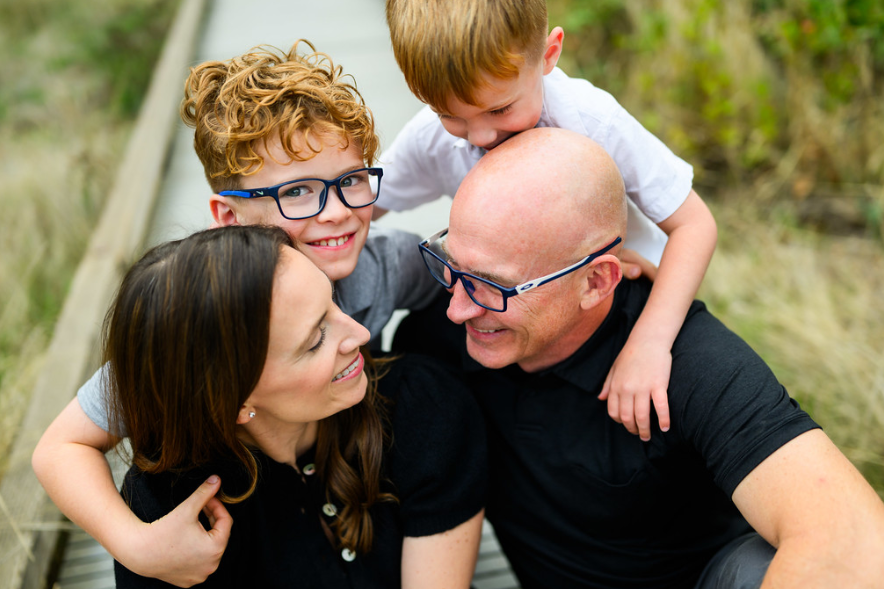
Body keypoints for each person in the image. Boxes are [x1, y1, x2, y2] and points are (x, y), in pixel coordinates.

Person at [32, 42, 444, 586]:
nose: (339, 211)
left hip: (346, 467)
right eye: (297, 191)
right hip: (239, 497)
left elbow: (476, 274)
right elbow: (61, 446)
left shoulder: (382, 265)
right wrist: (137, 546)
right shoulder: (201, 316)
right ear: (229, 216)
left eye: (350, 180)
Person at [401, 127, 884, 588]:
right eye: (451, 265)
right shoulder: (439, 341)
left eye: (493, 286)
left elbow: (852, 539)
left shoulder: (689, 361)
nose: (457, 307)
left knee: (755, 567)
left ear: (596, 281)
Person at [376, 0, 719, 442]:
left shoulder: (595, 120)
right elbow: (360, 205)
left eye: (499, 110)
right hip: (519, 313)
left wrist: (650, 343)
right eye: (450, 116)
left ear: (549, 54)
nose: (480, 137)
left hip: (623, 305)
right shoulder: (429, 137)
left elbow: (694, 224)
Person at [102, 225, 486, 587]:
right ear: (233, 400)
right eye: (316, 339)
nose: (361, 334)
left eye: (334, 302)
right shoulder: (169, 516)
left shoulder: (425, 407)